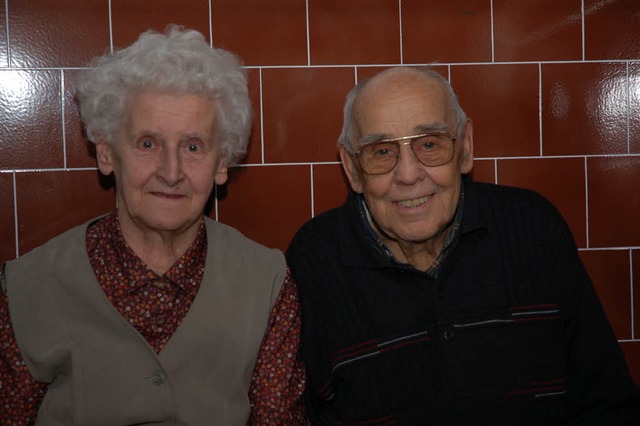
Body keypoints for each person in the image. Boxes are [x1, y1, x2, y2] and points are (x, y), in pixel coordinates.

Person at [286, 66, 640, 425]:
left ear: (465, 147)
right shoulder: (315, 261)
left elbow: (607, 405)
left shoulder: (533, 229)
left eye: (429, 144)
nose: (408, 175)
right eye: (381, 152)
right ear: (352, 167)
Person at [0, 26, 307, 425]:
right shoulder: (26, 289)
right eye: (148, 143)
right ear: (107, 153)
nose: (171, 171)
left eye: (193, 146)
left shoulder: (268, 285)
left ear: (221, 163)